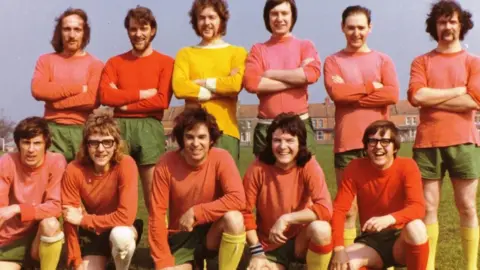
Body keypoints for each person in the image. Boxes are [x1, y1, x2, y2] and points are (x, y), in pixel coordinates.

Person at [408, 1, 479, 269]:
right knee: (427, 208)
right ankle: (428, 266)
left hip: (464, 142)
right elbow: (416, 95)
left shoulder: (474, 62)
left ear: (461, 25)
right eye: (441, 22)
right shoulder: (421, 61)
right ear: (434, 26)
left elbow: (474, 101)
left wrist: (432, 99)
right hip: (427, 143)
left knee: (467, 207)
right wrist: (458, 91)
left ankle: (471, 266)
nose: (447, 26)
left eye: (452, 21)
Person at [323, 5, 400, 247]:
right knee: (348, 210)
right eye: (351, 27)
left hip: (381, 143)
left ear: (370, 28)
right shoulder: (333, 61)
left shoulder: (383, 60)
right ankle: (346, 256)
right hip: (347, 143)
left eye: (361, 27)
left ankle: (380, 257)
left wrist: (352, 92)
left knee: (382, 206)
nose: (356, 33)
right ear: (342, 28)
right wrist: (371, 87)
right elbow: (337, 94)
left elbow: (392, 94)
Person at [149, 107, 246, 270]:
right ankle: (195, 263)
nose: (196, 144)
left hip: (213, 234)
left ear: (211, 140)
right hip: (182, 235)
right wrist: (162, 261)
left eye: (202, 137)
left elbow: (237, 198)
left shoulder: (222, 157)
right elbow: (156, 215)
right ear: (181, 139)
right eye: (189, 137)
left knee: (234, 219)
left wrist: (197, 212)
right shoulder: (166, 163)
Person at [99, 6, 174, 211]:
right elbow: (105, 96)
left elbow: (161, 101)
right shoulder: (115, 62)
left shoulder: (166, 62)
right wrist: (141, 94)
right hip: (119, 127)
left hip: (150, 127)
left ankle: (159, 239)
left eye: (143, 28)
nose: (138, 34)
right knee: (115, 188)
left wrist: (123, 102)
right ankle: (115, 238)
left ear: (153, 30)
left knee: (153, 192)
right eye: (133, 29)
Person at [330, 120, 429, 270]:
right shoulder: (354, 168)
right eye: (372, 141)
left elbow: (418, 208)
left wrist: (389, 219)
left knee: (417, 227)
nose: (378, 147)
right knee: (345, 265)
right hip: (372, 240)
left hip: (400, 239)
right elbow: (339, 210)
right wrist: (338, 249)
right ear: (366, 146)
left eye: (385, 141)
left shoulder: (407, 166)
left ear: (395, 147)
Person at [242, 113, 333, 270]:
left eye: (290, 140)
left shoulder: (308, 165)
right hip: (270, 245)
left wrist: (287, 218)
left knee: (321, 229)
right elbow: (244, 211)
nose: (283, 147)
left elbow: (325, 209)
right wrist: (257, 252)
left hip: (301, 243)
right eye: (277, 140)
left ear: (300, 143)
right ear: (270, 142)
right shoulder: (257, 167)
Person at [62, 108, 142, 270]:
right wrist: (75, 257)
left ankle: (121, 266)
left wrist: (84, 220)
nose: (100, 149)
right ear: (86, 145)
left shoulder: (126, 164)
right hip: (92, 232)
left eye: (107, 142)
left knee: (121, 236)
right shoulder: (73, 169)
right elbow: (70, 218)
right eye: (94, 142)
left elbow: (125, 216)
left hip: (121, 226)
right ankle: (106, 257)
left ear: (116, 144)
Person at [173, 0, 247, 162]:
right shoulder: (185, 54)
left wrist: (201, 83)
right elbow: (179, 88)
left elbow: (234, 85)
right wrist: (218, 92)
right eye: (202, 18)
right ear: (195, 21)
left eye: (212, 17)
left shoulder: (237, 53)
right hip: (192, 134)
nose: (207, 23)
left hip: (225, 132)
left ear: (221, 19)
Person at [243, 0, 321, 155]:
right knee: (264, 178)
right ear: (267, 17)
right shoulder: (258, 49)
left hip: (300, 124)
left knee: (304, 176)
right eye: (274, 14)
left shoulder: (305, 46)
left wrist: (270, 74)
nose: (279, 18)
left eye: (284, 13)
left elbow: (312, 74)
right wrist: (296, 80)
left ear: (292, 16)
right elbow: (251, 83)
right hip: (267, 126)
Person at [31, 8, 104, 162]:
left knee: (80, 182)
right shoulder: (46, 60)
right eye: (67, 29)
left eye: (77, 29)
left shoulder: (95, 64)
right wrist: (78, 88)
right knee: (52, 182)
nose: (72, 35)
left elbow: (91, 100)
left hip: (82, 130)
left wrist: (54, 102)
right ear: (60, 32)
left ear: (84, 33)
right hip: (51, 130)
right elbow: (38, 90)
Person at [0, 117, 66, 269]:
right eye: (26, 143)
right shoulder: (7, 161)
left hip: (40, 237)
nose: (31, 149)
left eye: (37, 143)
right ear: (18, 144)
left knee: (50, 224)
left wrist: (17, 208)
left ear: (46, 145)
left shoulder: (56, 161)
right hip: (11, 239)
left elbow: (55, 206)